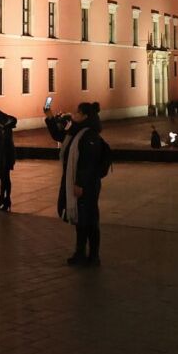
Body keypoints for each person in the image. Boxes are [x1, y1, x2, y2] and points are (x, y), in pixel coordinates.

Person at [47, 102, 105, 266]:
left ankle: (93, 256)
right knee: (81, 219)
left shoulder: (89, 135)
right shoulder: (76, 131)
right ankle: (80, 253)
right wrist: (50, 118)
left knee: (90, 219)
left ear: (85, 116)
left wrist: (80, 183)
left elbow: (88, 162)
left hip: (88, 184)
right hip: (79, 182)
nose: (74, 113)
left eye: (77, 112)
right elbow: (59, 136)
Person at [0, 110, 18, 210]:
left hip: (5, 158)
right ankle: (5, 199)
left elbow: (3, 145)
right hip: (7, 157)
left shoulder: (6, 130)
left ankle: (3, 199)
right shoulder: (7, 129)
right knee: (5, 178)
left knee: (4, 178)